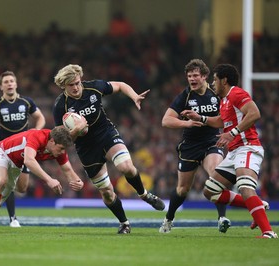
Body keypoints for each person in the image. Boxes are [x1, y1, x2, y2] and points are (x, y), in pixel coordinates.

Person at [53, 64, 165, 234]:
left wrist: (134, 96)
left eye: (77, 82)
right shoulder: (60, 106)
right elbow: (63, 141)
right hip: (86, 148)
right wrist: (76, 130)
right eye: (71, 85)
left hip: (106, 134)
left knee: (126, 167)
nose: (76, 87)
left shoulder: (94, 87)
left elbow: (120, 85)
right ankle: (124, 223)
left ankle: (144, 195)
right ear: (63, 86)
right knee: (106, 192)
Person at [182, 63, 277, 238]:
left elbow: (254, 113)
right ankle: (256, 206)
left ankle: (268, 232)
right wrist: (201, 118)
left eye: (215, 79)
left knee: (245, 187)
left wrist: (232, 133)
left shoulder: (236, 93)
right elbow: (221, 121)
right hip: (234, 152)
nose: (212, 83)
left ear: (224, 81)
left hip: (247, 147)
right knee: (210, 191)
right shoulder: (225, 100)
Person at [0, 127, 84, 233]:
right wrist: (49, 180)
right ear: (52, 141)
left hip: (16, 165)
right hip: (1, 152)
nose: (62, 152)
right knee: (1, 180)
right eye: (60, 148)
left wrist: (78, 181)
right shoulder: (38, 136)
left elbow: (67, 170)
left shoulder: (58, 148)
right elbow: (29, 160)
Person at [159, 59, 229, 233]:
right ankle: (169, 219)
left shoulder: (216, 93)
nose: (192, 79)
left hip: (212, 141)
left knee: (216, 174)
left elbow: (227, 115)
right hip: (190, 145)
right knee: (183, 190)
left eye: (195, 75)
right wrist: (187, 124)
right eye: (189, 76)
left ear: (204, 76)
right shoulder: (185, 96)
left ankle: (221, 218)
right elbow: (166, 120)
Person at [0, 70, 46, 228]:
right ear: (1, 87)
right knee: (6, 182)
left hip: (25, 150)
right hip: (5, 151)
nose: (9, 84)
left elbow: (40, 118)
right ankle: (12, 218)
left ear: (16, 84)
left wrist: (36, 132)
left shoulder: (26, 102)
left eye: (12, 81)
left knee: (22, 188)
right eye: (6, 82)